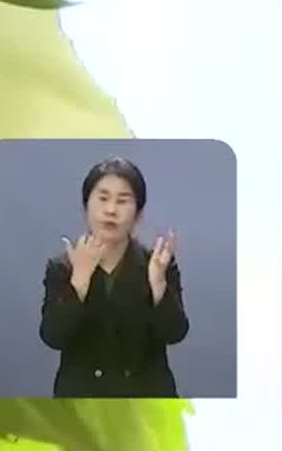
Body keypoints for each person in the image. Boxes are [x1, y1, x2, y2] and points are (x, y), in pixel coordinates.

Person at [39, 157, 189, 398]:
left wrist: (158, 284)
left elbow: (175, 333)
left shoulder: (158, 264)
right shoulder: (63, 266)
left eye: (123, 201)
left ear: (138, 214)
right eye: (103, 198)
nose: (111, 210)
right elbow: (52, 336)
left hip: (145, 398)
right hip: (84, 401)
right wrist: (79, 281)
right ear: (86, 207)